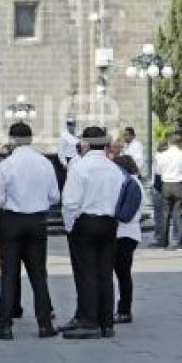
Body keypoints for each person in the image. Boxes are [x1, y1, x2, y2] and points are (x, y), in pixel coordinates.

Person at [0, 123, 60, 340]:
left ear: (12, 139)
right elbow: (55, 196)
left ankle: (4, 325)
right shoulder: (45, 163)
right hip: (37, 221)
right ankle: (45, 325)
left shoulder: (6, 165)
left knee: (9, 275)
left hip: (12, 221)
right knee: (38, 274)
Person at [60, 126, 123, 339]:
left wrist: (69, 227)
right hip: (109, 223)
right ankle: (107, 322)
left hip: (85, 223)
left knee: (86, 273)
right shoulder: (114, 168)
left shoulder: (80, 167)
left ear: (85, 143)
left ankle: (89, 321)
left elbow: (70, 202)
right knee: (105, 272)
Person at [110, 153, 144, 324]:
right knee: (122, 273)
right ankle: (122, 309)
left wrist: (110, 213)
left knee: (123, 274)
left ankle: (124, 310)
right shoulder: (130, 183)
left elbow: (125, 215)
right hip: (125, 233)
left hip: (126, 234)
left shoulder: (131, 184)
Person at [153, 134, 182, 250]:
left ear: (170, 143)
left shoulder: (162, 156)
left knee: (165, 214)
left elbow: (158, 172)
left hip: (166, 185)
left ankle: (163, 241)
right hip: (179, 185)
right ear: (180, 143)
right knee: (180, 214)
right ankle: (180, 242)